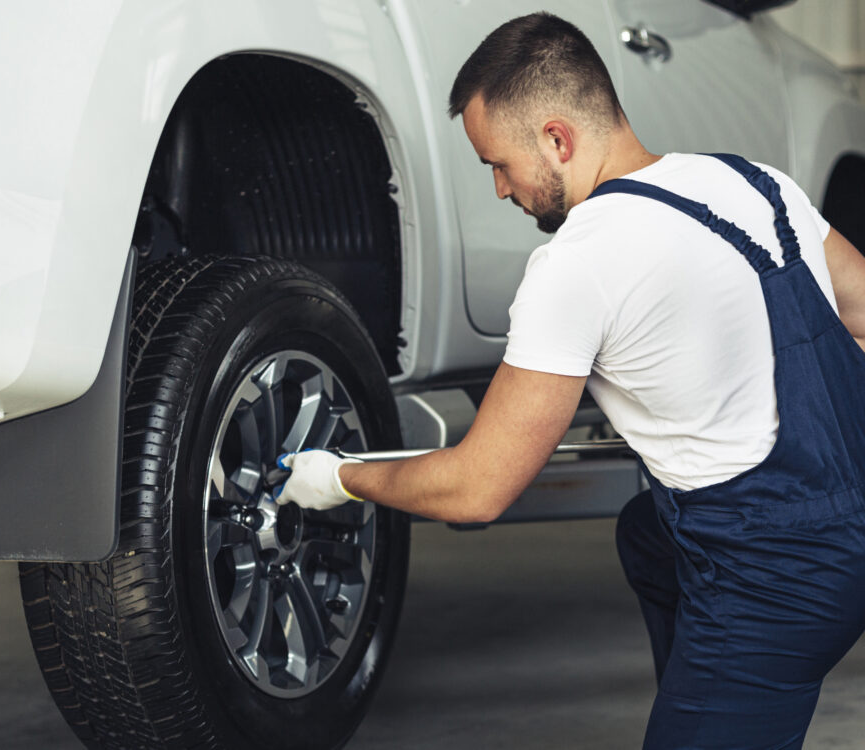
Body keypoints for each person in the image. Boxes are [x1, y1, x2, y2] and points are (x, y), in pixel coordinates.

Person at [276, 12, 865, 748]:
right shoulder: (756, 183)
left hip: (777, 584)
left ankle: (722, 692)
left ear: (557, 139)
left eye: (498, 163)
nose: (497, 188)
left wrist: (341, 478)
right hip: (852, 525)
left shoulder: (577, 264)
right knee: (648, 537)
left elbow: (477, 490)